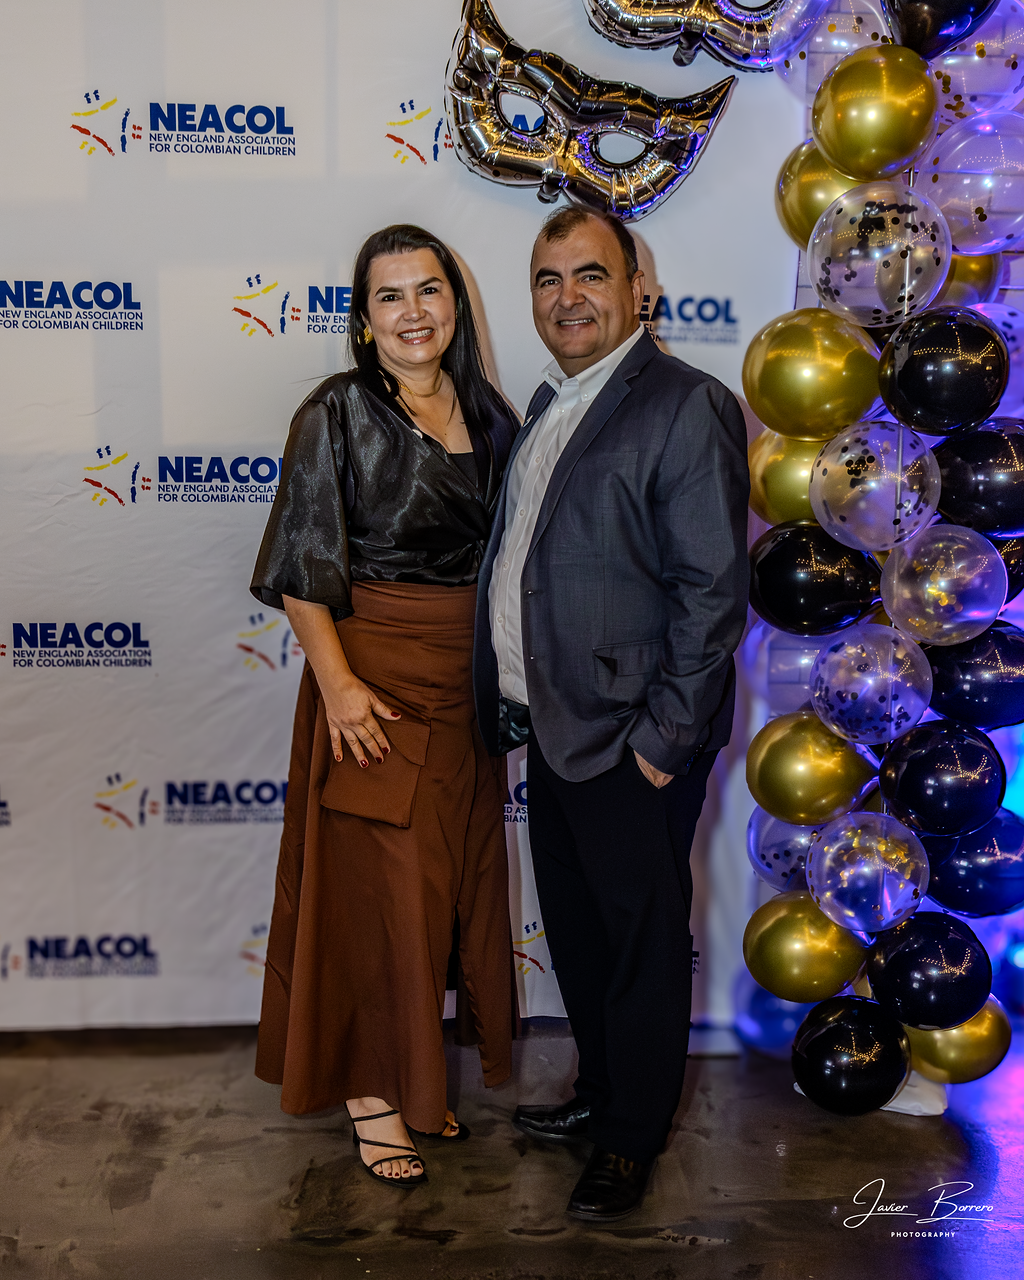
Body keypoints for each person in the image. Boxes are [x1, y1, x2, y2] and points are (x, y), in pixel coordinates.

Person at [473, 207, 749, 1221]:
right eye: (548, 280)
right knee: (582, 934)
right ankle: (600, 1090)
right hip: (555, 725)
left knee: (639, 942)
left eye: (590, 274)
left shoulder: (686, 403)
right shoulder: (552, 401)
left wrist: (664, 742)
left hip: (632, 736)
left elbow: (711, 592)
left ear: (640, 289)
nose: (568, 297)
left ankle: (632, 1138)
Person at [251, 224, 518, 1187]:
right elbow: (301, 569)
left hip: (466, 688)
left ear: (457, 303)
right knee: (373, 898)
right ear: (364, 321)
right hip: (374, 688)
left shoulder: (490, 413)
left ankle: (416, 1078)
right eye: (390, 296)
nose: (413, 312)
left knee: (443, 896)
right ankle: (372, 1096)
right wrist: (339, 688)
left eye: (428, 290)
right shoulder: (337, 410)